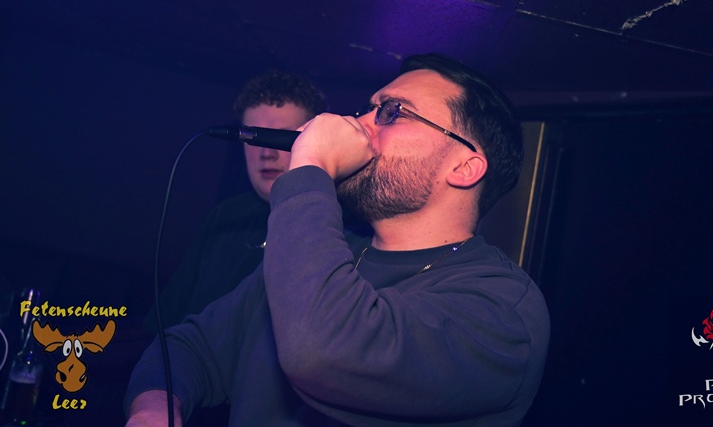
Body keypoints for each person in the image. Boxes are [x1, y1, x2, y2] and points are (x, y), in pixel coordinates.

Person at [125, 53, 550, 426]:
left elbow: (321, 353)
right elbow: (190, 346)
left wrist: (311, 165)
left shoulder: (501, 311)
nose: (358, 124)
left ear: (464, 167)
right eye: (369, 108)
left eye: (393, 111)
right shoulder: (330, 253)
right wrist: (154, 408)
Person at [146, 70, 328, 331]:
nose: (266, 152)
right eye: (252, 137)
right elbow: (166, 319)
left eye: (280, 137)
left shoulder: (334, 225)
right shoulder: (225, 216)